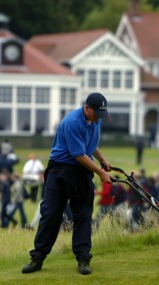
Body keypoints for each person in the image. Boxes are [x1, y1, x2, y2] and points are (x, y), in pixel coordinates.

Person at [22, 92, 112, 275]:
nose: (98, 119)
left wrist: (103, 160)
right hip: (60, 170)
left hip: (82, 170)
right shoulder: (72, 122)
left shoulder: (96, 120)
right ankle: (37, 258)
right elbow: (78, 154)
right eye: (96, 114)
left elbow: (91, 144)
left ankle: (83, 259)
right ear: (87, 108)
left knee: (83, 215)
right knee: (51, 215)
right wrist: (101, 172)